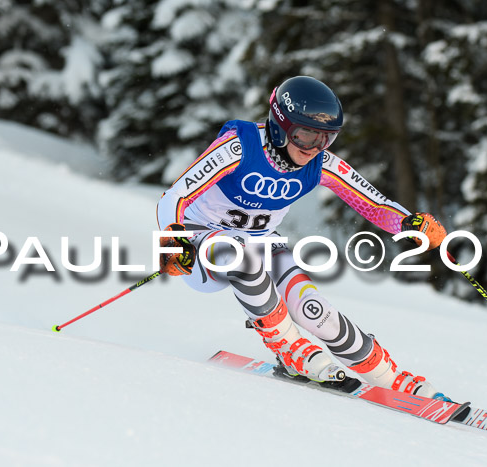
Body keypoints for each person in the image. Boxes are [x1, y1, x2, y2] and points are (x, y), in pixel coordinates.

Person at [156, 76, 450, 400]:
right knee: (239, 254)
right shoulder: (240, 146)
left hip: (261, 240)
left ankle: (390, 377)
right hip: (202, 243)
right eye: (305, 135)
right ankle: (289, 347)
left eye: (326, 138)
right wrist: (172, 243)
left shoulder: (319, 164)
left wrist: (410, 223)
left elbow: (372, 203)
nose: (313, 148)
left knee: (312, 309)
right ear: (281, 126)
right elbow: (174, 196)